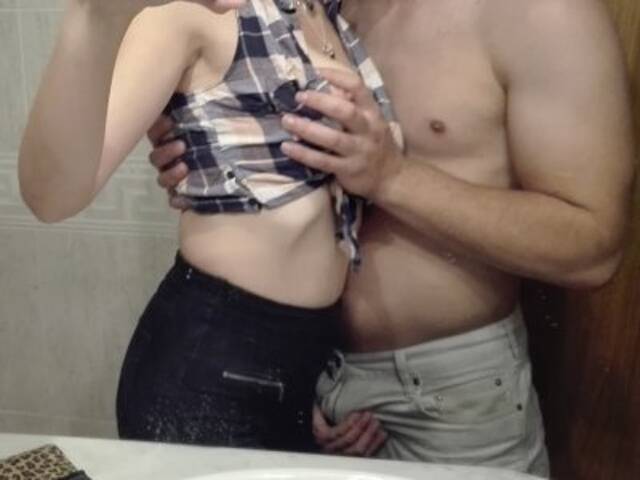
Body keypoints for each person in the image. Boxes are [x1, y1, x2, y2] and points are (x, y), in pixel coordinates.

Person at [148, 0, 635, 475]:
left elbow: (592, 247)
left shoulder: (543, 11)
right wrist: (209, 150)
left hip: (453, 408)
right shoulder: (312, 9)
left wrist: (392, 177)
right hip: (300, 373)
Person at [17, 0, 401, 452]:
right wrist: (92, 15)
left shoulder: (327, 17)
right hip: (210, 368)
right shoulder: (194, 11)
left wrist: (311, 382)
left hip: (302, 366)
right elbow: (53, 196)